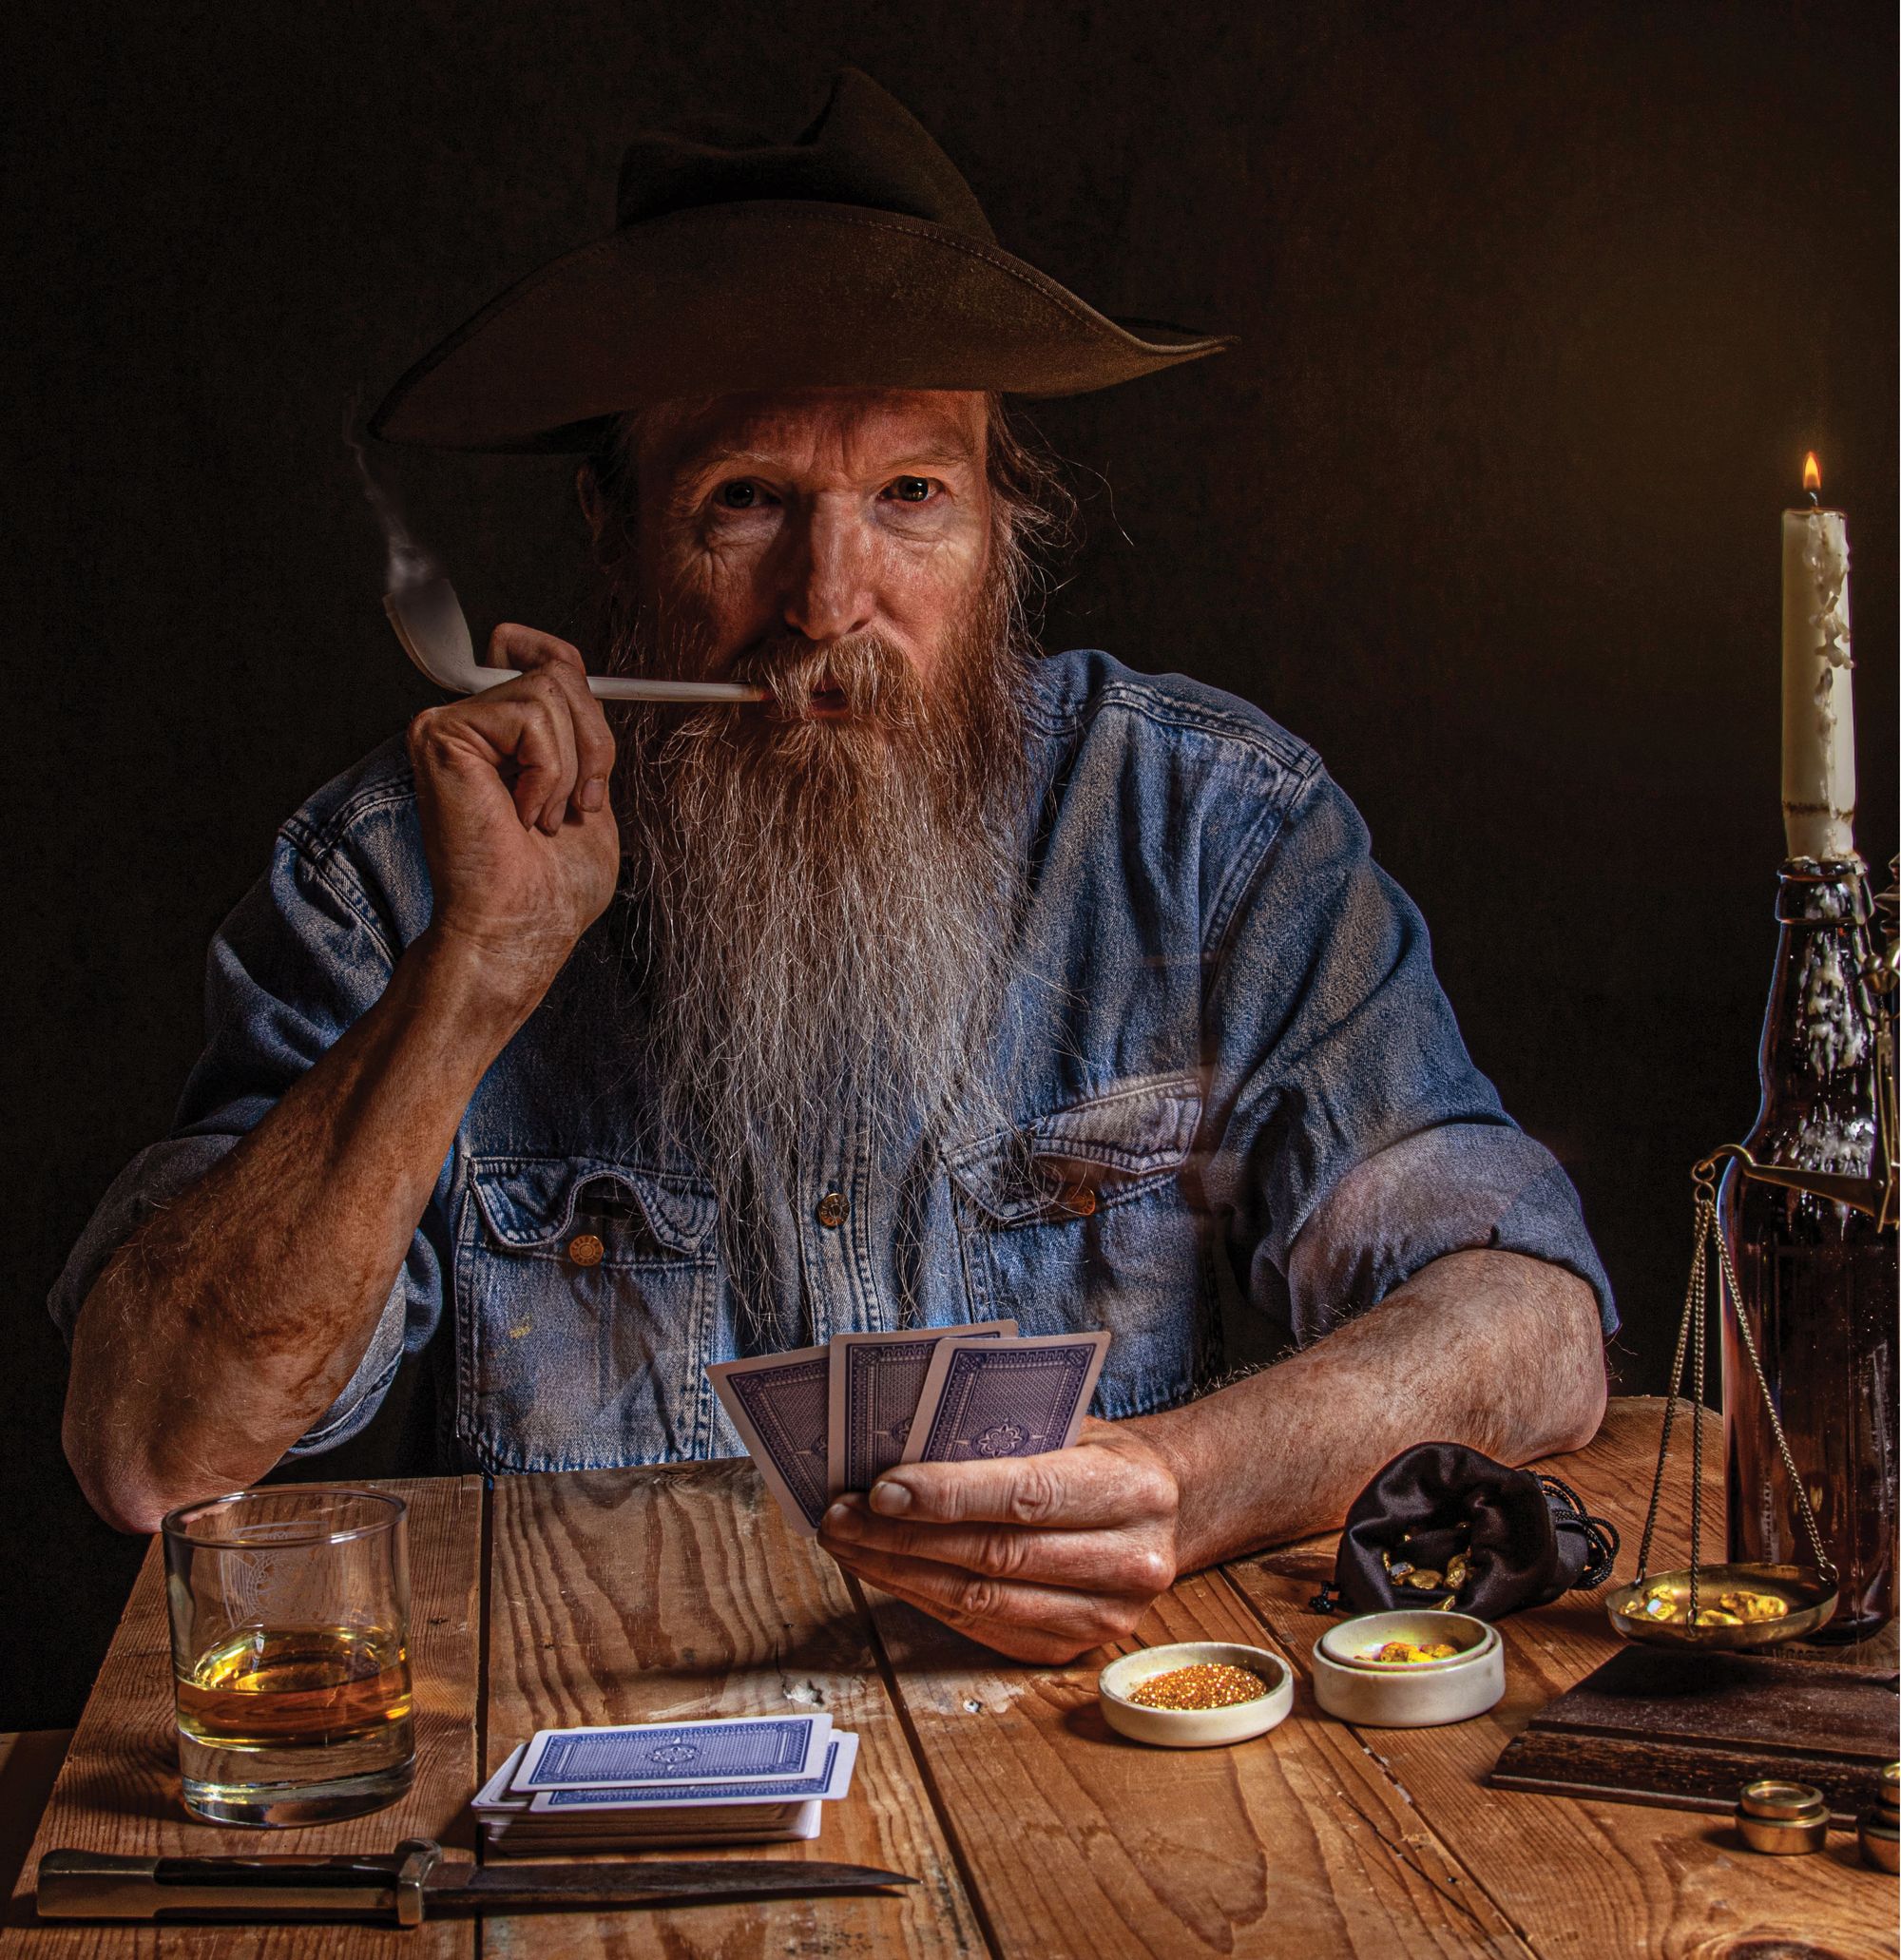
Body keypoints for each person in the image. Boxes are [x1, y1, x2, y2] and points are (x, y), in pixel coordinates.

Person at [53, 72, 1612, 1662]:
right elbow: (154, 1447)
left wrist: (1174, 1483)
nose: (826, 602)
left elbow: (1532, 1322)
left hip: (1090, 1781)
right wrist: (470, 984)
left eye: (909, 497)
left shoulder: (1207, 831)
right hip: (589, 1806)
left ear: (1005, 522)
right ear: (615, 529)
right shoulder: (395, 879)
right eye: (746, 501)